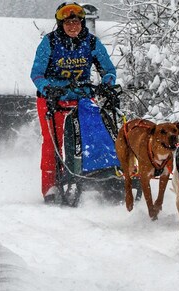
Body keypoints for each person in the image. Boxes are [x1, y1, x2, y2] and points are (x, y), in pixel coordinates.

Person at [30, 2, 117, 203]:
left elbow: (108, 70)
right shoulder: (49, 43)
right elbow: (37, 73)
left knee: (92, 137)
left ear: (82, 23)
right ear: (61, 24)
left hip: (82, 98)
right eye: (68, 23)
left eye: (76, 22)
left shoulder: (91, 42)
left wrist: (107, 83)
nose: (72, 26)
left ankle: (93, 177)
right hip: (53, 100)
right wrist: (48, 88)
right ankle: (51, 185)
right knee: (54, 142)